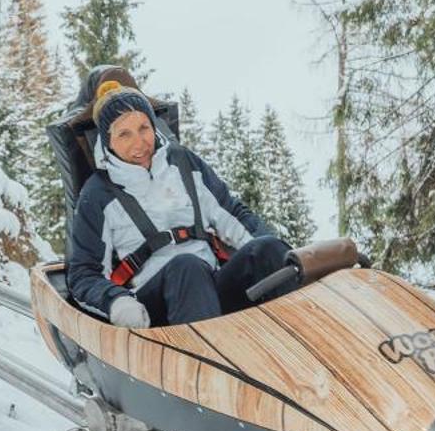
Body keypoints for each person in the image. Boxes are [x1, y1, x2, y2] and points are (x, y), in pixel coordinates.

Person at [66, 75, 292, 328]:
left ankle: (297, 338)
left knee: (269, 249)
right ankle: (204, 363)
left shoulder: (183, 164)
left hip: (210, 286)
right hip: (154, 307)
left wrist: (276, 256)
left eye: (143, 128)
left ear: (153, 126)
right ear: (108, 142)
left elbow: (232, 214)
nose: (139, 143)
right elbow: (83, 273)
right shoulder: (97, 194)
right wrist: (117, 302)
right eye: (124, 134)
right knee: (187, 267)